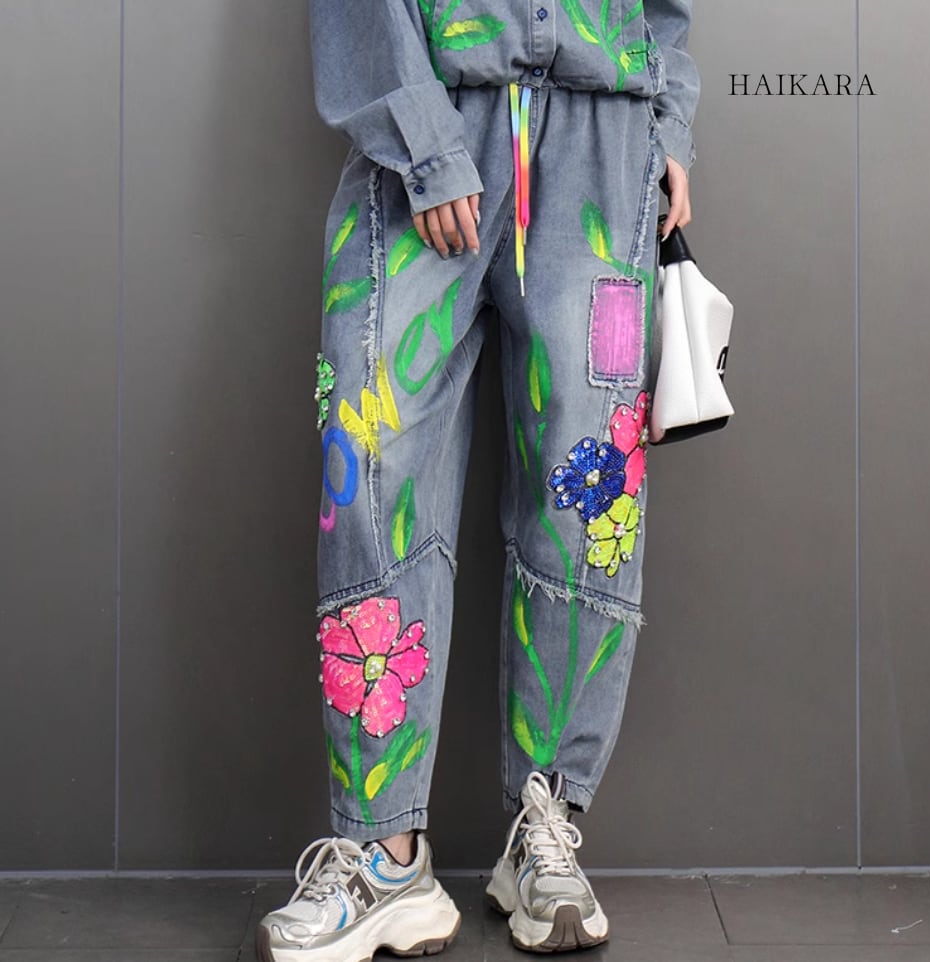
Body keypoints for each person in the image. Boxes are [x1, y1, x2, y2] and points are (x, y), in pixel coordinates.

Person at [256, 1, 699, 959]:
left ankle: (547, 827)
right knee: (370, 471)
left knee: (590, 493)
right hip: (429, 131)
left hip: (603, 147)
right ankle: (384, 856)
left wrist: (669, 125)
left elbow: (665, 12)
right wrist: (422, 143)